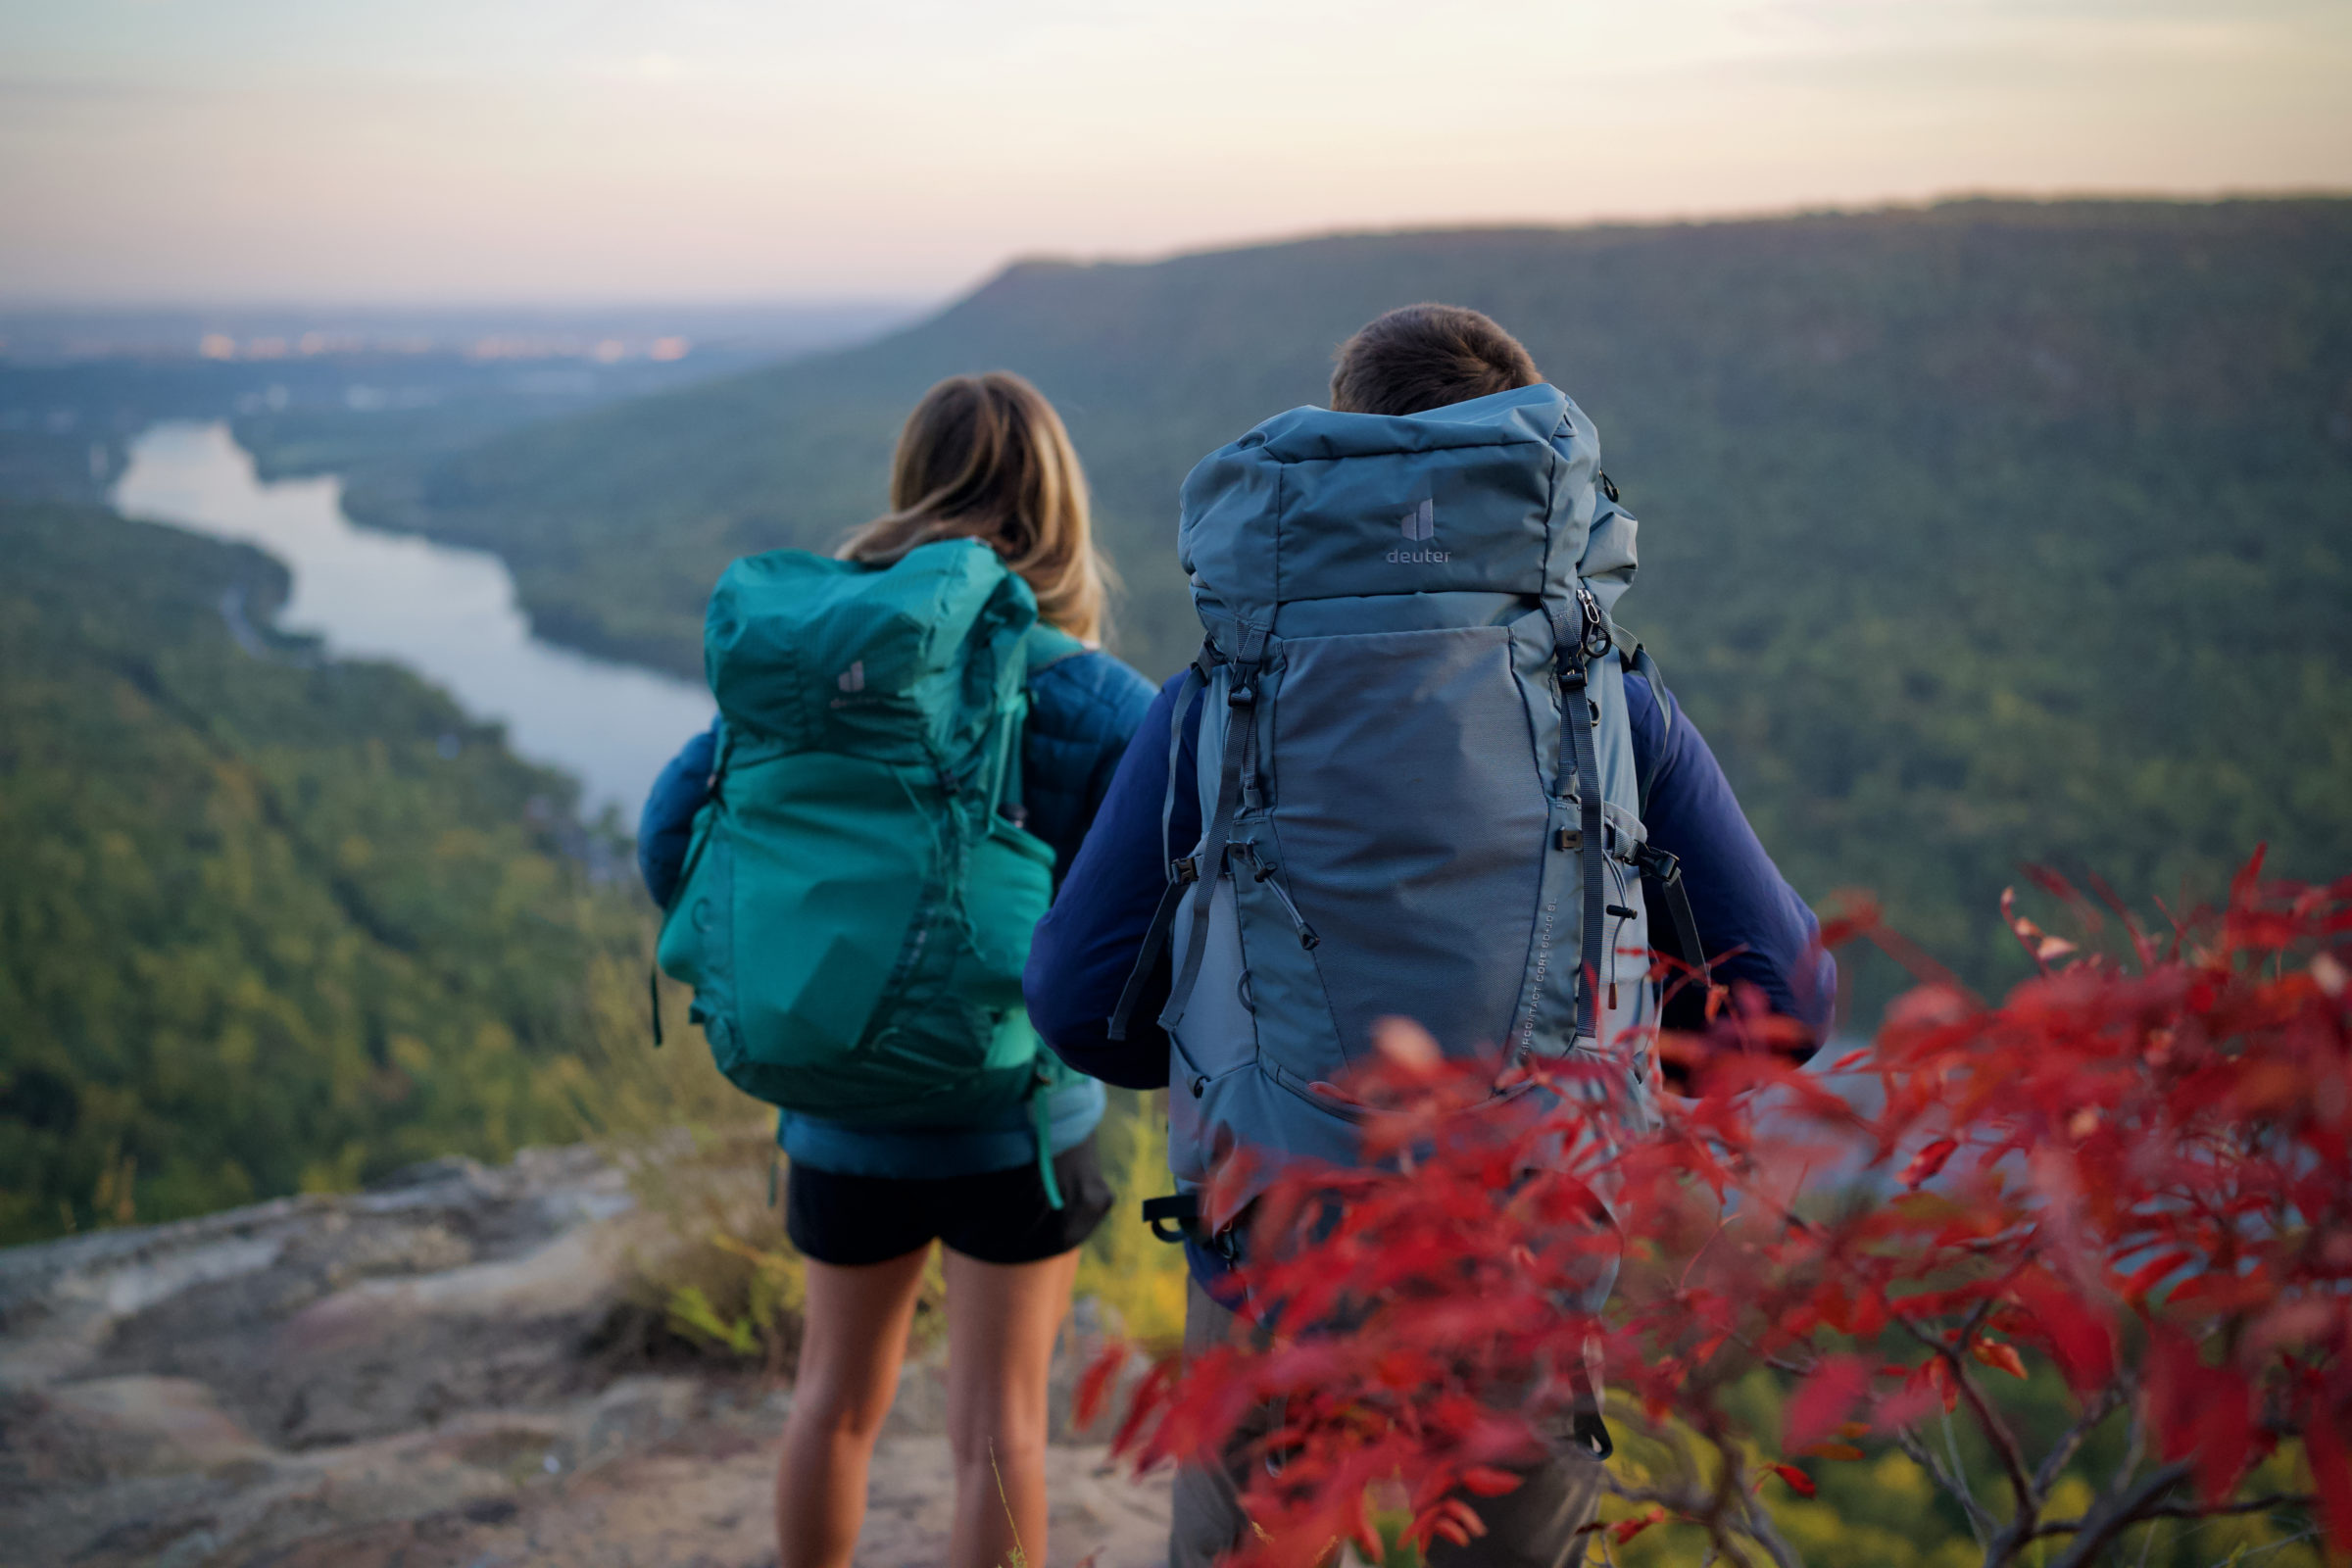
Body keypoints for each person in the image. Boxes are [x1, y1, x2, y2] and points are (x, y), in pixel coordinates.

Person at [1022, 305, 1837, 1568]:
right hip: (1522, 1255)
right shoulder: (1607, 699)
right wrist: (1613, 1051)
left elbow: (1080, 1004)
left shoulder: (1212, 702)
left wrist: (1233, 1049)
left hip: (1276, 1254)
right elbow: (1785, 1000)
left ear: (1339, 456)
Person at [638, 371, 1155, 1568]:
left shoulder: (817, 688)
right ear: (1060, 505)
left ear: (911, 483)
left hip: (835, 1111)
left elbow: (672, 839)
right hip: (1014, 1122)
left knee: (833, 1402)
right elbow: (1156, 919)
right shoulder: (1088, 694)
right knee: (998, 1431)